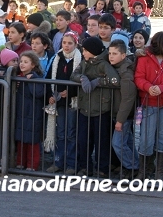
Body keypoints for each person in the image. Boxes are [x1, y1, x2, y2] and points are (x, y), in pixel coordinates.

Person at [71, 36, 120, 177]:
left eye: (85, 50)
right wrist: (82, 78)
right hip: (85, 107)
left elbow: (115, 80)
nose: (83, 52)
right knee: (83, 140)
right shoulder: (84, 63)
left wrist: (98, 81)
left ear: (93, 51)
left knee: (102, 141)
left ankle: (102, 168)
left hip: (101, 108)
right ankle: (85, 166)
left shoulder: (103, 64)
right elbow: (73, 75)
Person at [134, 32, 163, 180]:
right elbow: (139, 77)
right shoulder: (144, 58)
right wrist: (148, 87)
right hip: (149, 103)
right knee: (146, 138)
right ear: (162, 44)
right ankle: (143, 170)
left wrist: (162, 87)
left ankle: (159, 171)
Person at [45, 31, 81, 175]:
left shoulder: (80, 59)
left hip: (72, 102)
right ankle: (59, 161)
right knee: (60, 132)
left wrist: (71, 92)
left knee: (71, 133)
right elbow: (48, 78)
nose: (66, 46)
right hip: (58, 101)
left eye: (70, 43)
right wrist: (50, 95)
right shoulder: (56, 58)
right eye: (64, 43)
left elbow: (80, 80)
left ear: (76, 44)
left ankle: (71, 163)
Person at [110, 39, 139, 179]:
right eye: (110, 53)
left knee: (118, 143)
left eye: (115, 53)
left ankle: (131, 166)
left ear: (123, 55)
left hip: (124, 115)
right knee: (127, 142)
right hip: (119, 113)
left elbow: (128, 98)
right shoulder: (117, 67)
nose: (111, 56)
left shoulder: (125, 72)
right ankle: (134, 166)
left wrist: (120, 120)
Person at [13, 51, 45, 171]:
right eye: (21, 61)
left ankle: (32, 164)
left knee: (32, 140)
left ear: (33, 65)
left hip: (33, 113)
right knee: (21, 139)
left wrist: (32, 81)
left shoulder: (37, 78)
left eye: (26, 62)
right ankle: (20, 162)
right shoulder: (19, 77)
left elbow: (39, 93)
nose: (22, 64)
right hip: (21, 112)